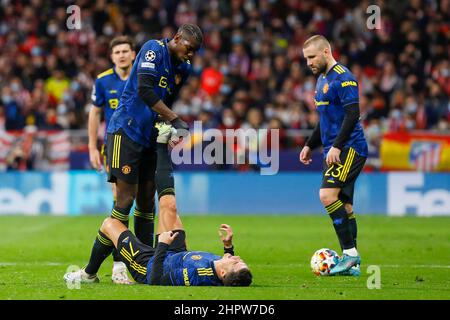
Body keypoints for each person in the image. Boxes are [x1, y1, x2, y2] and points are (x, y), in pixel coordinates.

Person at [64, 24, 203, 284]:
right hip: (125, 132)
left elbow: (167, 100)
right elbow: (145, 89)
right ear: (177, 39)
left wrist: (166, 124)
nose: (191, 55)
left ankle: (146, 264)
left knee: (147, 203)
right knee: (124, 202)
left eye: (195, 52)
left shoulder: (183, 68)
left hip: (149, 136)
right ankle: (91, 271)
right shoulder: (153, 50)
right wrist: (174, 119)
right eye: (189, 48)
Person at [299, 35, 368, 276]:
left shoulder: (344, 77)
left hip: (350, 147)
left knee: (327, 195)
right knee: (345, 205)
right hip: (335, 148)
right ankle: (353, 265)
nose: (308, 62)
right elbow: (325, 119)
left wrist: (337, 146)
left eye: (311, 57)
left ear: (326, 52)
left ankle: (349, 254)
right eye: (306, 58)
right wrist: (310, 144)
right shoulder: (321, 80)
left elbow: (352, 115)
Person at [65, 211, 252, 286]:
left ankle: (89, 274)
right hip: (173, 254)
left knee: (109, 224)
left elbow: (155, 279)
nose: (237, 259)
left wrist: (162, 244)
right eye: (240, 260)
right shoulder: (220, 268)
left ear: (223, 272)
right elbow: (226, 270)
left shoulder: (198, 273)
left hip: (147, 264)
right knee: (170, 212)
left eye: (236, 263)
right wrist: (228, 248)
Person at [88, 35, 136, 284]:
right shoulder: (104, 80)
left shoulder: (142, 77)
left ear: (133, 53)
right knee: (121, 201)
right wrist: (92, 146)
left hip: (142, 146)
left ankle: (137, 261)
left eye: (125, 51)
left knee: (141, 203)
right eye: (117, 51)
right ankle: (119, 266)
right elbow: (95, 112)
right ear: (112, 56)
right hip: (115, 146)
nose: (121, 55)